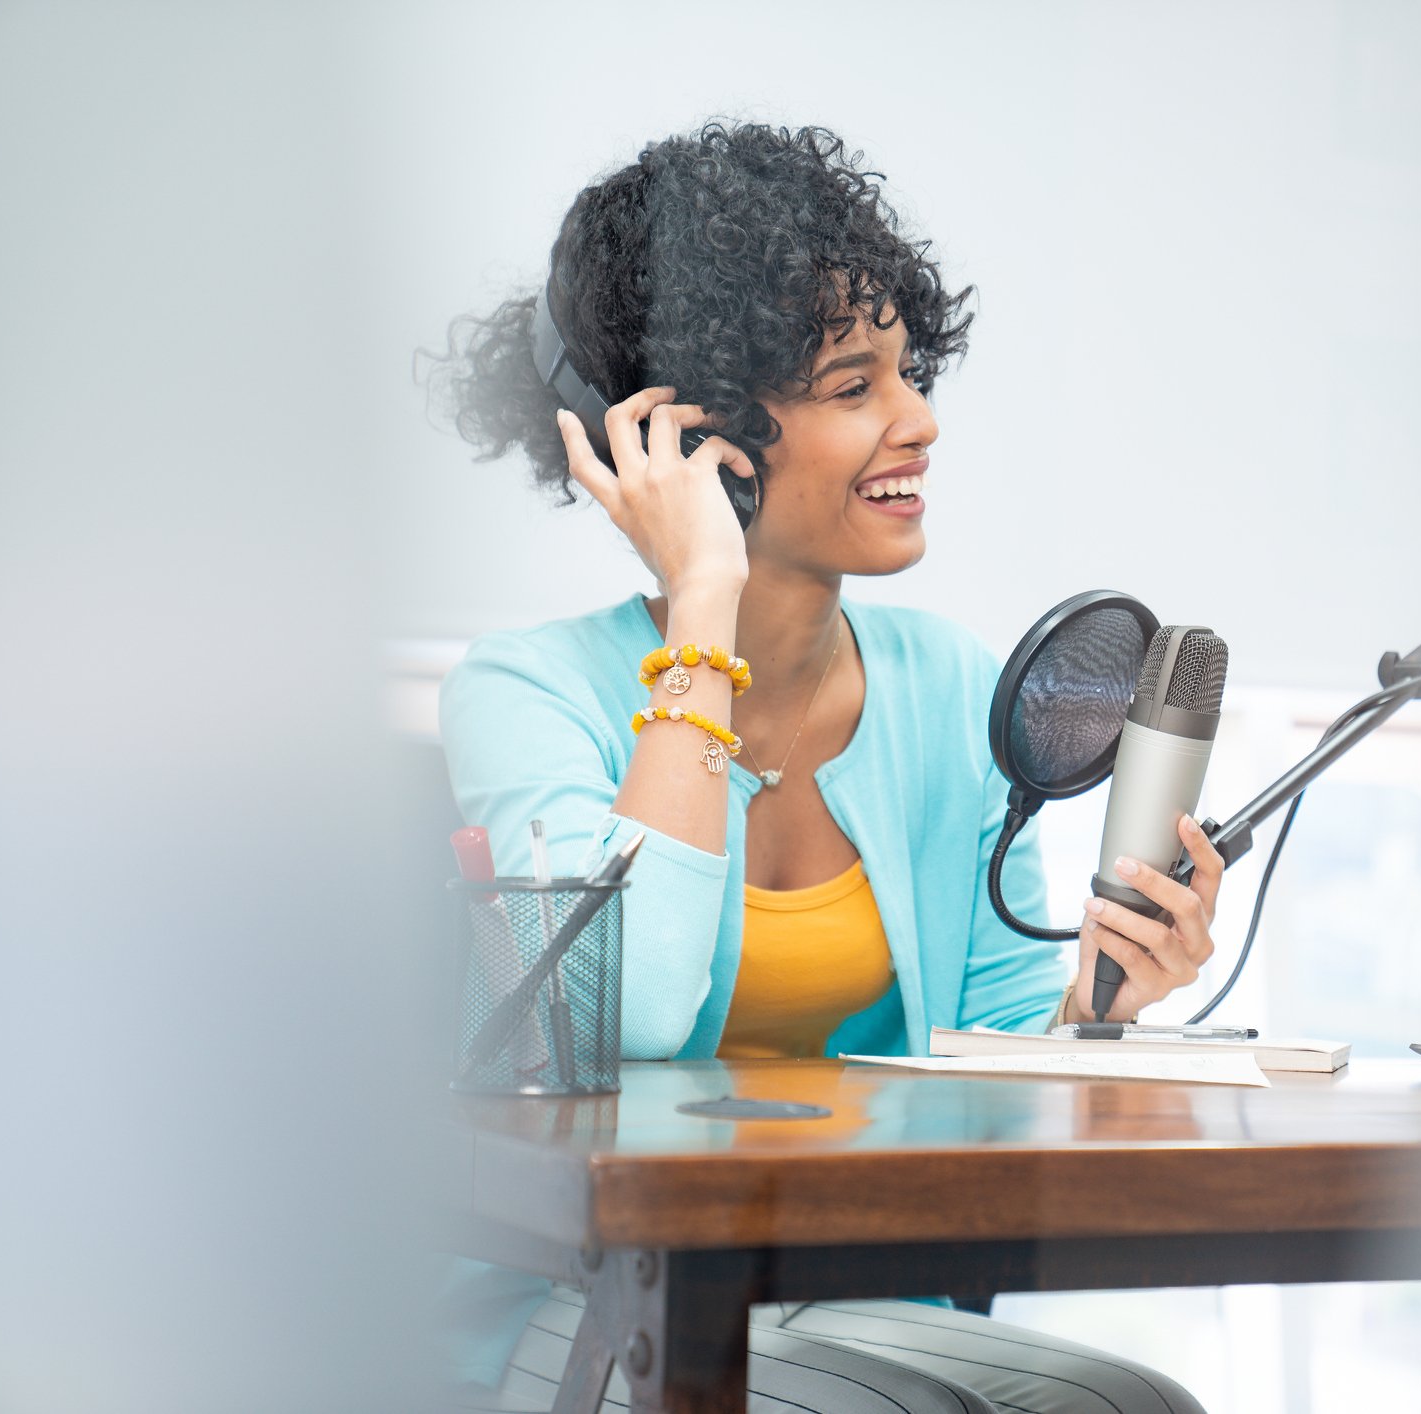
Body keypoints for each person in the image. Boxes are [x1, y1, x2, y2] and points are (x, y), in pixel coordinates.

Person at [423, 120, 1222, 1414]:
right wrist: (702, 597)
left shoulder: (946, 684)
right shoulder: (523, 693)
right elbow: (629, 1010)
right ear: (698, 435)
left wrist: (1102, 996)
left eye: (908, 373)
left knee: (1132, 1404)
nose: (919, 423)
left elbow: (999, 1048)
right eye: (854, 387)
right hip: (582, 1307)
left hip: (847, 1299)